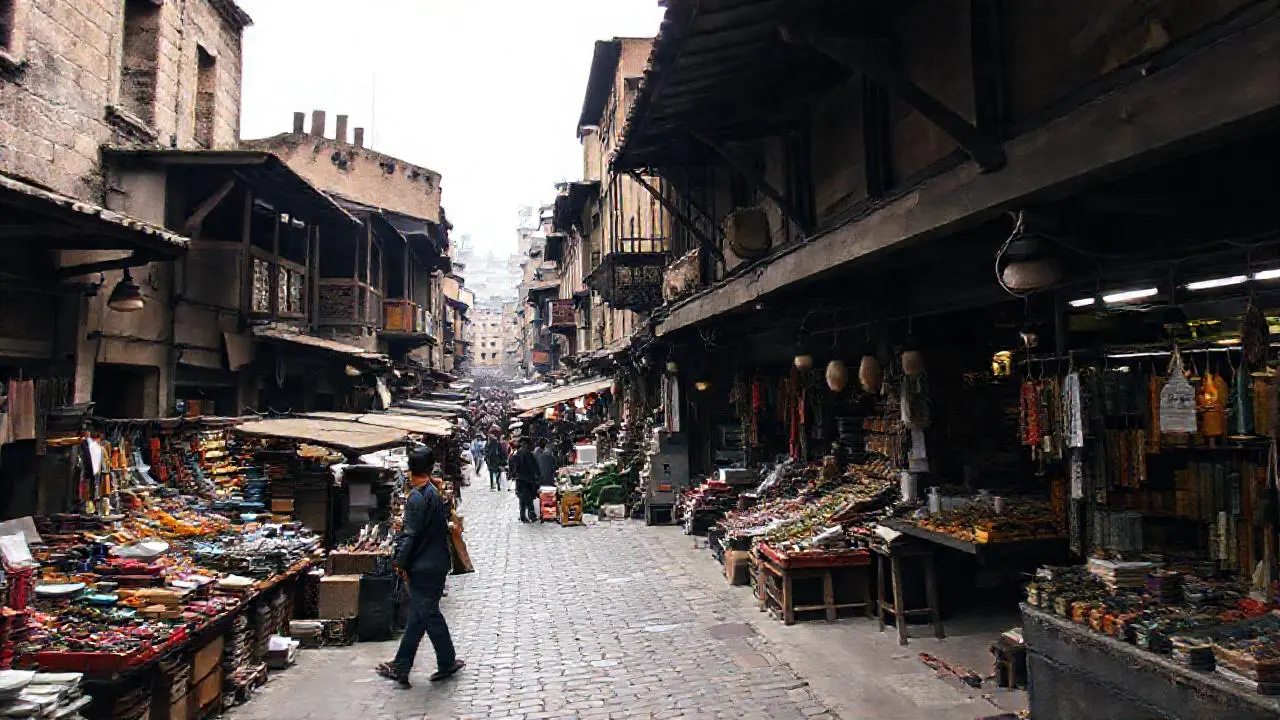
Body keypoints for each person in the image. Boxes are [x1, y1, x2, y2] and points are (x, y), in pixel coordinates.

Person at [377, 448, 465, 689]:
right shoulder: (432, 494)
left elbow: (410, 535)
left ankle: (442, 661)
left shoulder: (418, 498)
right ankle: (402, 665)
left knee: (426, 613)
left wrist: (399, 562)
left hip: (425, 566)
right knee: (419, 615)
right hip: (435, 563)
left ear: (409, 471)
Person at [510, 437, 540, 523]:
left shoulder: (516, 455)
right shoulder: (529, 455)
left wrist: (513, 475)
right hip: (527, 480)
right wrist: (536, 476)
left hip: (520, 480)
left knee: (522, 499)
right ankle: (531, 515)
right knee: (528, 498)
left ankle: (523, 515)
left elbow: (513, 468)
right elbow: (535, 467)